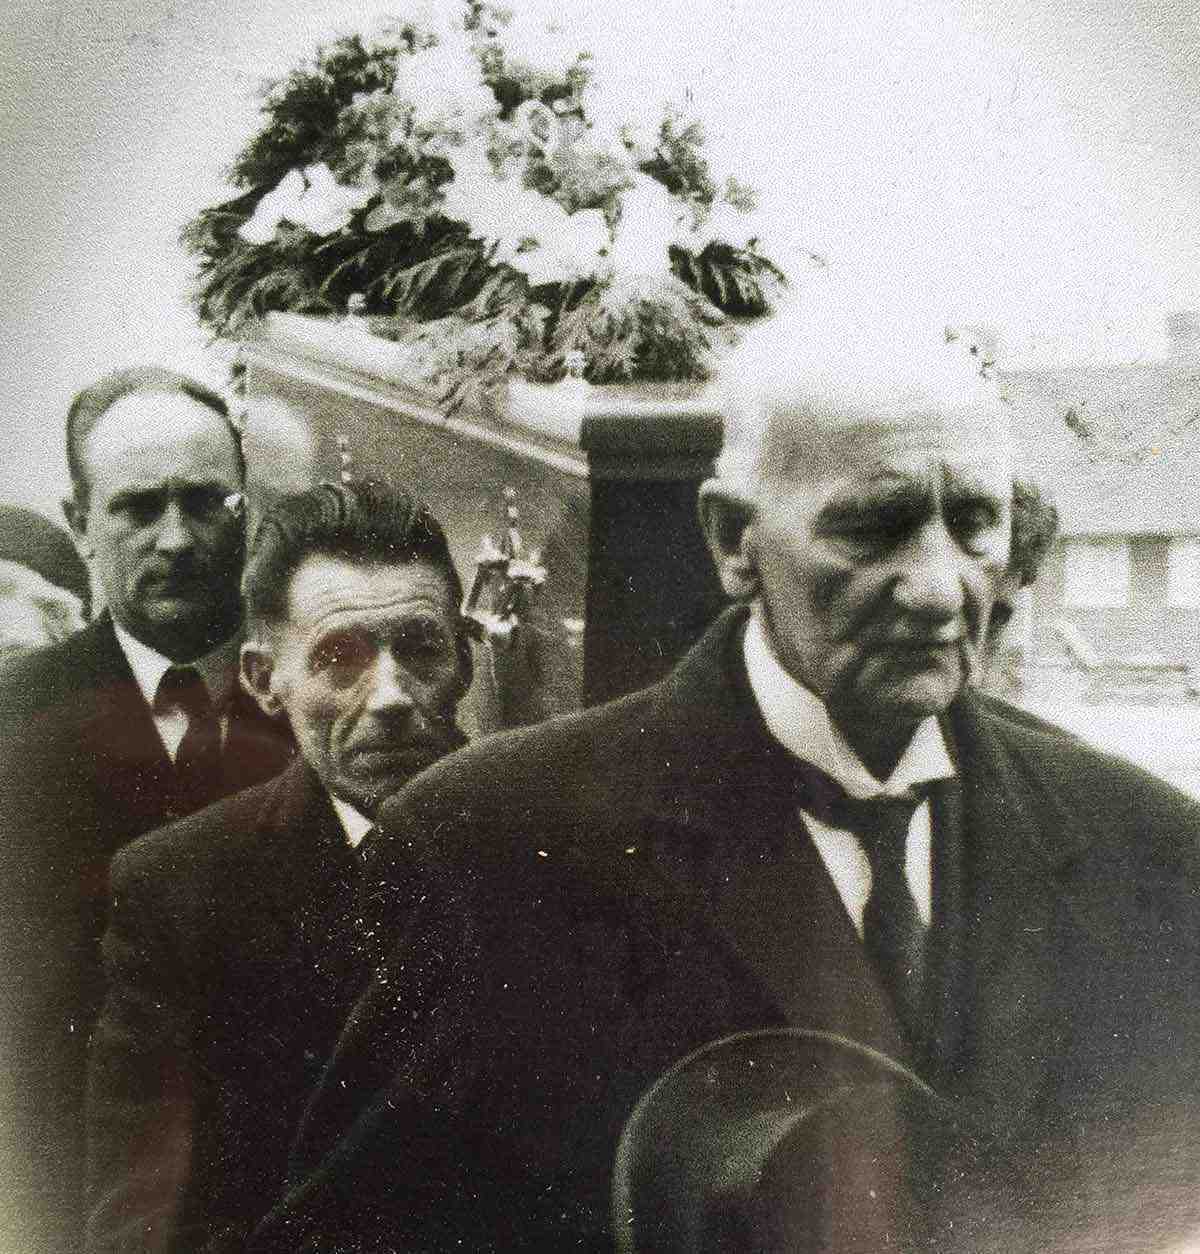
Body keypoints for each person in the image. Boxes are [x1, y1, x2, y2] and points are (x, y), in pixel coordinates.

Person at [248, 300, 1200, 1253]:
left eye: (976, 523)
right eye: (874, 527)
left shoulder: (1149, 850)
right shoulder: (487, 847)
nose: (941, 586)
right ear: (733, 541)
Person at [85, 481, 474, 1254]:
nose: (391, 695)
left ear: (464, 656)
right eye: (340, 657)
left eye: (420, 648)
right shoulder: (179, 890)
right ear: (265, 680)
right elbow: (140, 1223)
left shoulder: (555, 849)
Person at [0, 367, 294, 1254]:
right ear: (80, 517)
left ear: (249, 511)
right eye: (138, 507)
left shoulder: (314, 703)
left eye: (208, 503)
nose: (177, 538)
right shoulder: (13, 723)